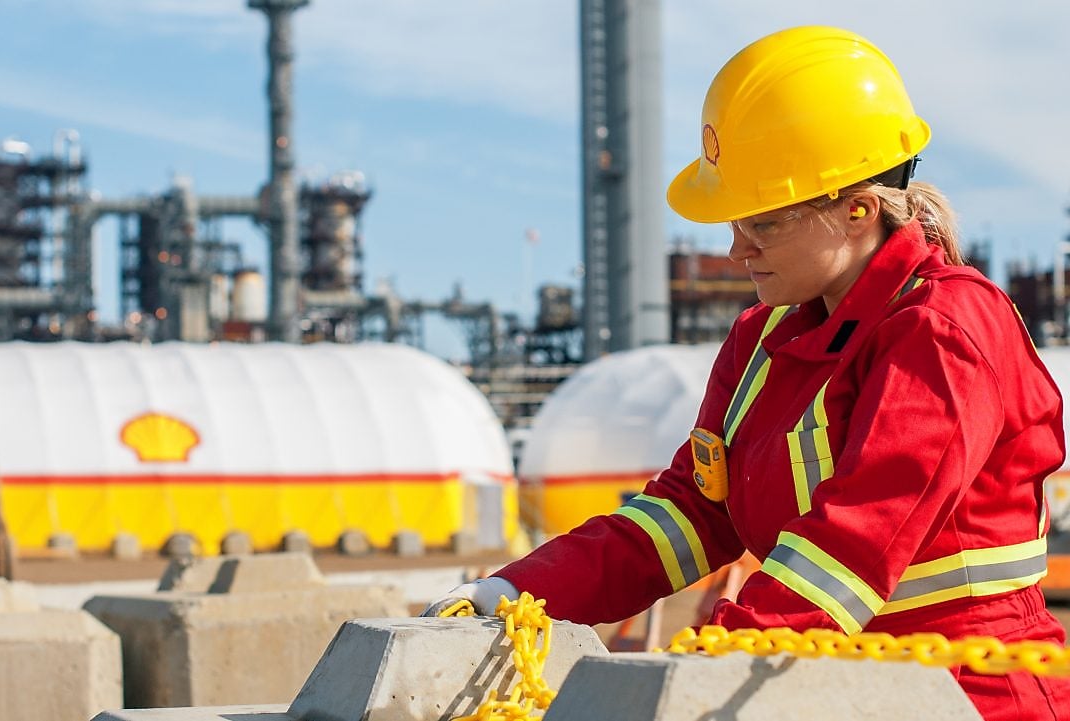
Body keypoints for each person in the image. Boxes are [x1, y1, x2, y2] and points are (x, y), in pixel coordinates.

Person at [425, 26, 1070, 720]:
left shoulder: (944, 328)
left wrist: (713, 663)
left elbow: (856, 539)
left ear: (857, 211)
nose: (737, 250)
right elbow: (691, 513)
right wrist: (515, 592)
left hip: (971, 694)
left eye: (763, 224)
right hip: (830, 687)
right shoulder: (761, 338)